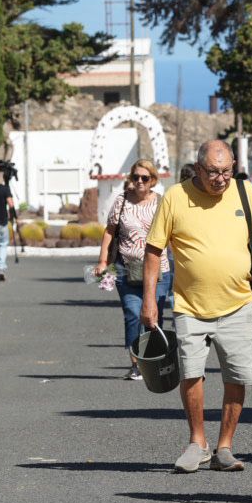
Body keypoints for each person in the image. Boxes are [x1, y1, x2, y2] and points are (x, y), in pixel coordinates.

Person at [141, 140, 252, 473]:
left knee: (237, 376)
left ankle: (225, 447)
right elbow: (154, 250)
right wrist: (149, 300)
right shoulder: (176, 196)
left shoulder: (245, 192)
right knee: (190, 373)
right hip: (190, 305)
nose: (220, 178)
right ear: (199, 168)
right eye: (213, 172)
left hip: (238, 303)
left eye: (226, 171)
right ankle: (197, 442)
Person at [97, 159, 172, 380]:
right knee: (132, 315)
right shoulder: (121, 201)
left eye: (144, 178)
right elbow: (110, 231)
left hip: (159, 270)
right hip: (126, 269)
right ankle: (136, 364)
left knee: (152, 318)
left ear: (153, 181)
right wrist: (103, 261)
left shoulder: (161, 203)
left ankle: (153, 359)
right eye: (135, 177)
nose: (139, 182)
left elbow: (173, 234)